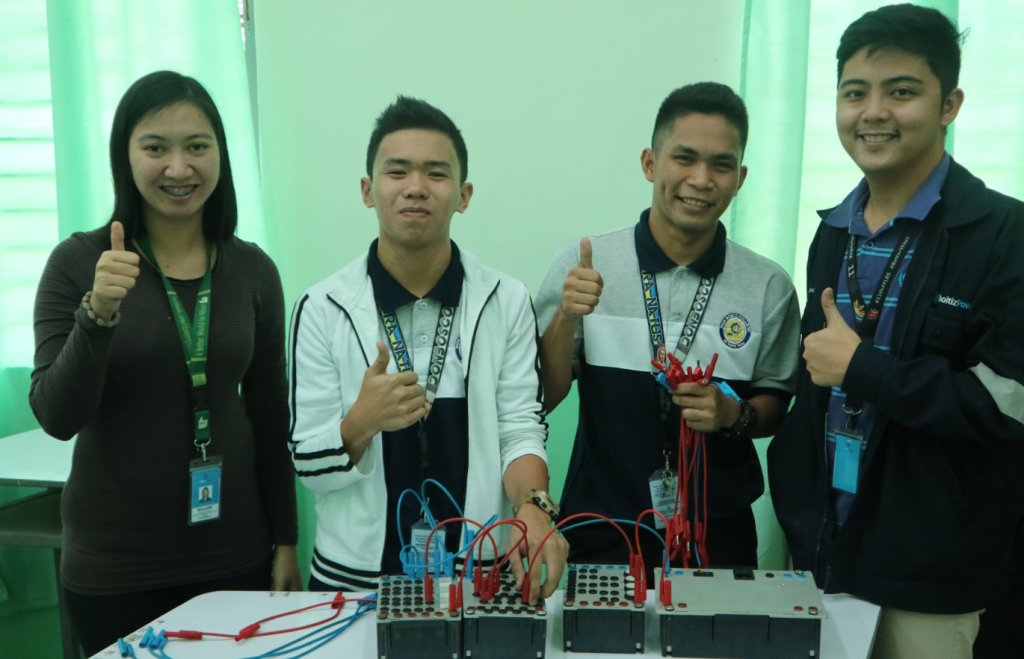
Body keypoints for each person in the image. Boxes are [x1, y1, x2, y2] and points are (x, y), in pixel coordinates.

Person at [768, 6, 1024, 659]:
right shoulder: (834, 232)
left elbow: (1005, 406)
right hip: (823, 549)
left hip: (929, 571)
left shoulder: (1004, 234)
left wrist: (865, 370)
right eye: (855, 93)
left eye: (902, 92)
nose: (874, 112)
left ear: (949, 105)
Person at [30, 71, 301, 655]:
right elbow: (56, 416)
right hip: (115, 567)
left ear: (220, 154)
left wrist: (286, 540)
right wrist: (97, 314)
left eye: (197, 146)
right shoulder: (79, 262)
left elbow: (268, 413)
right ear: (125, 157)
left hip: (236, 555)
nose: (179, 168)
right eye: (155, 148)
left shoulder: (253, 270)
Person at [288, 96, 568, 604]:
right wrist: (361, 422)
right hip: (355, 584)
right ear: (368, 191)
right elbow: (307, 464)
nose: (416, 187)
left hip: (480, 576)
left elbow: (520, 428)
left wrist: (535, 507)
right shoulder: (323, 307)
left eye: (436, 174)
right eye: (397, 172)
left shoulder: (505, 299)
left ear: (464, 195)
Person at [534, 83, 801, 581]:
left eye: (721, 165)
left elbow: (775, 406)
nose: (701, 179)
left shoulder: (768, 286)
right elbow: (542, 396)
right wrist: (567, 317)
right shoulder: (584, 263)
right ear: (650, 163)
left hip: (717, 532)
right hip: (603, 527)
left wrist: (732, 414)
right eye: (684, 158)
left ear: (740, 179)